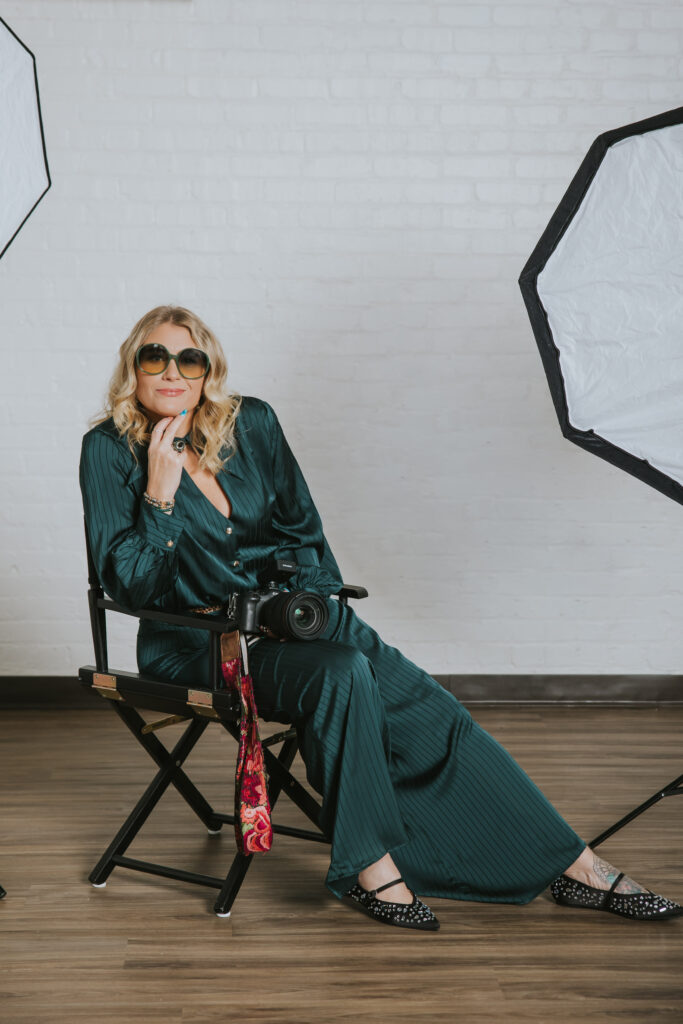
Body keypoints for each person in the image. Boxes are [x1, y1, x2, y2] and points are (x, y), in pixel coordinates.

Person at [79, 305, 682, 931]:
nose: (171, 373)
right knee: (341, 676)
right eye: (155, 357)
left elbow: (303, 531)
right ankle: (369, 868)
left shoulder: (251, 423)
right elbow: (132, 584)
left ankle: (576, 865)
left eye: (189, 359)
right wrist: (159, 494)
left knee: (435, 716)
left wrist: (308, 606)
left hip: (291, 623)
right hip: (200, 644)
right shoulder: (108, 450)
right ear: (134, 367)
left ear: (209, 370)